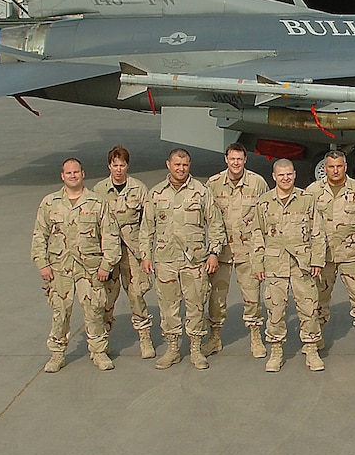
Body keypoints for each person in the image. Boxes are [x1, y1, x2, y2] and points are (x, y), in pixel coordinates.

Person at [31, 157, 121, 373]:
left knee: (94, 312)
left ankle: (98, 352)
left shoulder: (97, 203)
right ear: (62, 176)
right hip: (60, 269)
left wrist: (106, 266)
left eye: (76, 172)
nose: (73, 176)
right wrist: (42, 264)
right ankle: (57, 354)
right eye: (68, 173)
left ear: (83, 174)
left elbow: (110, 236)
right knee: (60, 313)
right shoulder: (50, 203)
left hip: (89, 270)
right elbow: (39, 235)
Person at [140, 148, 226, 370]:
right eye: (177, 164)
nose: (181, 168)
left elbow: (215, 224)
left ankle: (196, 349)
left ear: (190, 165)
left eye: (185, 165)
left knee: (196, 305)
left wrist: (214, 252)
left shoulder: (201, 192)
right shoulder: (156, 193)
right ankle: (172, 348)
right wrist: (146, 256)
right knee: (168, 306)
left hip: (195, 261)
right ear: (168, 164)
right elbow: (147, 228)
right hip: (165, 260)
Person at [255, 158, 326, 372]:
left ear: (294, 175)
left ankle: (311, 349)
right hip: (275, 264)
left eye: (289, 174)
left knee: (308, 308)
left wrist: (317, 260)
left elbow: (318, 232)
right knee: (275, 309)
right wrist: (258, 264)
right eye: (281, 175)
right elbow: (257, 234)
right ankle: (276, 350)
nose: (285, 178)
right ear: (274, 176)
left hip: (302, 264)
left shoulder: (306, 199)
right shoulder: (264, 202)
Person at [306, 150, 355, 354]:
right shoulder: (313, 191)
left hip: (351, 255)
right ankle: (316, 336)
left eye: (339, 166)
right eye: (331, 167)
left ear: (345, 167)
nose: (335, 170)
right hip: (323, 256)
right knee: (319, 297)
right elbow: (305, 221)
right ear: (325, 168)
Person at [203, 143, 268, 359]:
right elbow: (207, 219)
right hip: (221, 252)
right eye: (232, 159)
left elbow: (265, 215)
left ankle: (255, 335)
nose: (236, 163)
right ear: (226, 160)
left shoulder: (257, 183)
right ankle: (215, 337)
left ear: (245, 160)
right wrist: (210, 250)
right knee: (216, 298)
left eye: (239, 159)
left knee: (252, 297)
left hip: (248, 252)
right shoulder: (213, 184)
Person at [92, 145, 154, 359]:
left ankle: (145, 338)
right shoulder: (99, 190)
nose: (119, 169)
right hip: (108, 254)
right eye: (115, 165)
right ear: (109, 166)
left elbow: (147, 224)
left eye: (122, 165)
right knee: (106, 299)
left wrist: (146, 255)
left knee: (137, 295)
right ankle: (103, 341)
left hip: (133, 252)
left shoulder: (139, 189)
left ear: (128, 166)